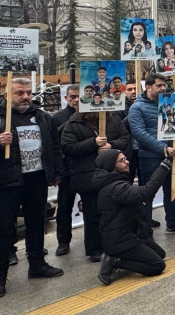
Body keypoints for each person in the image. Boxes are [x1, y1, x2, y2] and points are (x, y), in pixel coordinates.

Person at [0, 78, 64, 296]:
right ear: (7, 95)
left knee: (36, 224)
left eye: (28, 92)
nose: (25, 97)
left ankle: (37, 265)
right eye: (19, 93)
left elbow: (54, 147)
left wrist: (56, 172)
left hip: (36, 179)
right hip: (5, 183)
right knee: (4, 230)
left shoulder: (42, 117)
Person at [61, 108, 130, 263]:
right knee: (92, 214)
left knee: (117, 213)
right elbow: (68, 147)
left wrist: (111, 146)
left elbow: (125, 138)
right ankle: (94, 249)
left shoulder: (113, 119)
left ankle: (117, 244)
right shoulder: (74, 123)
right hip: (88, 176)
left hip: (112, 175)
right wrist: (93, 143)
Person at [93, 149, 171, 285]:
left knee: (160, 254)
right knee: (157, 266)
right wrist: (163, 168)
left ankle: (122, 256)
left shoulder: (116, 181)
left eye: (125, 158)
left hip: (130, 235)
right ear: (111, 165)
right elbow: (146, 192)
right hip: (119, 240)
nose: (127, 162)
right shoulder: (116, 188)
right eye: (122, 160)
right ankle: (116, 260)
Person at [127, 73, 175, 235]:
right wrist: (163, 148)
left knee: (171, 190)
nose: (163, 88)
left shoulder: (171, 102)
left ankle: (172, 223)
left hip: (173, 154)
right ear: (148, 87)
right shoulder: (137, 107)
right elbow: (139, 133)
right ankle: (145, 227)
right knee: (147, 193)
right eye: (159, 85)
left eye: (164, 85)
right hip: (150, 157)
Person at [51, 84, 79, 257]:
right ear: (66, 98)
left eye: (78, 96)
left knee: (92, 206)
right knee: (64, 207)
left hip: (85, 167)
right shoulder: (58, 117)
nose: (76, 100)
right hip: (66, 168)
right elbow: (53, 142)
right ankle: (63, 241)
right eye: (72, 96)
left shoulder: (90, 114)